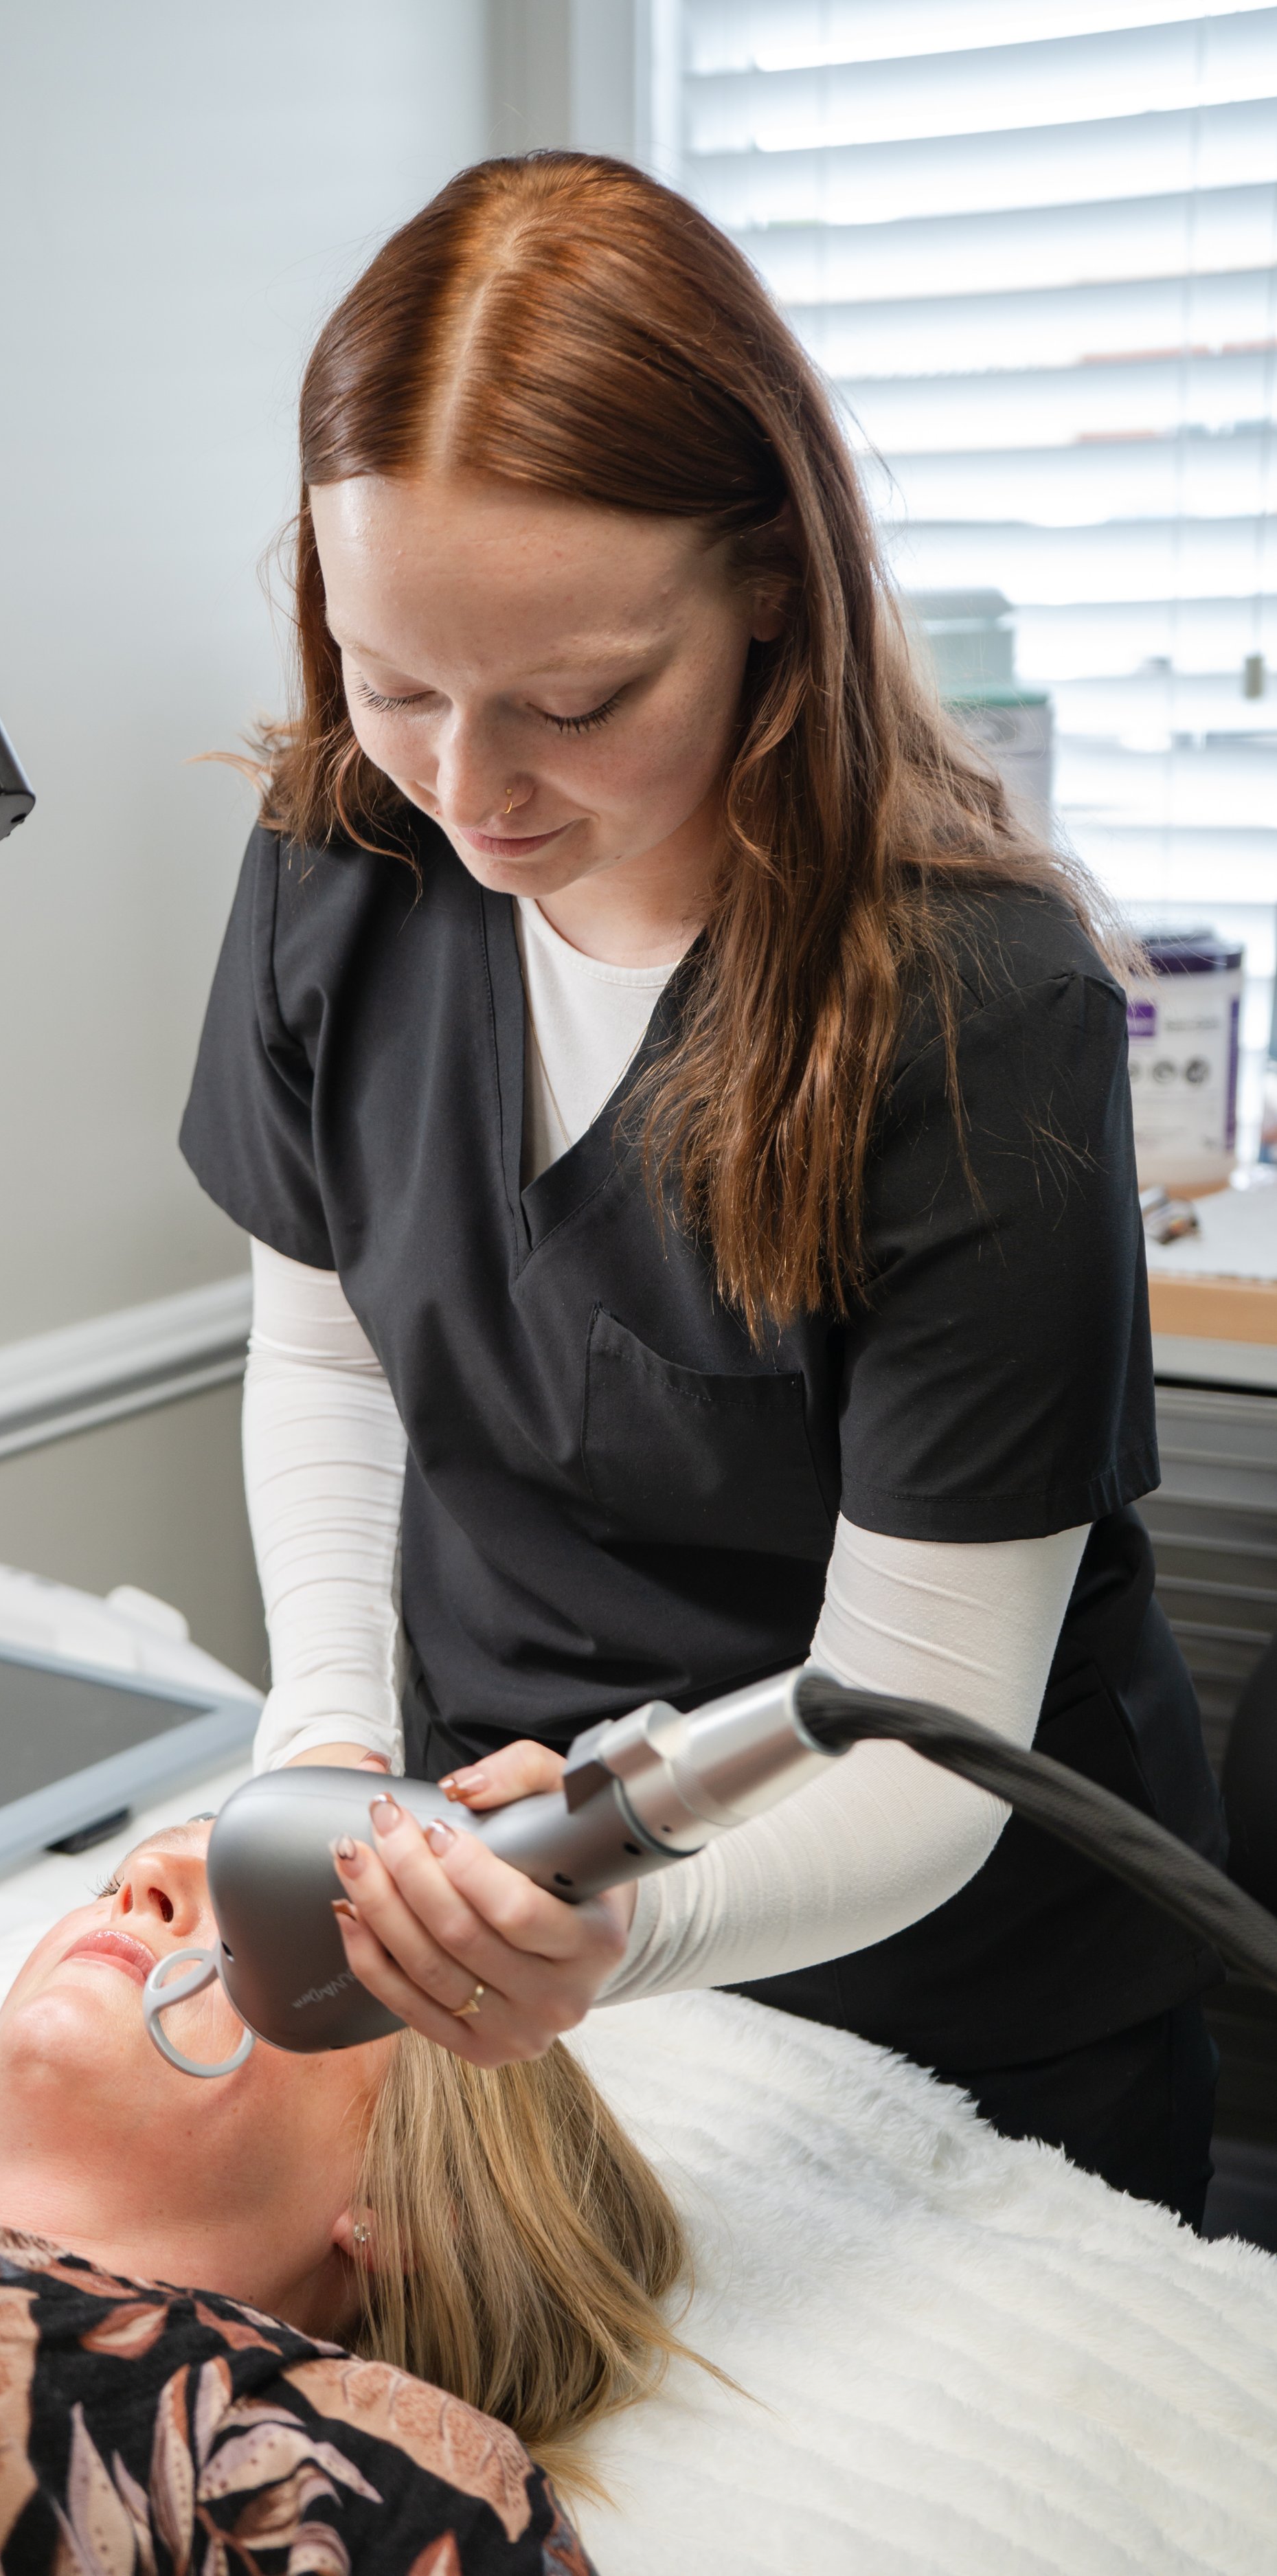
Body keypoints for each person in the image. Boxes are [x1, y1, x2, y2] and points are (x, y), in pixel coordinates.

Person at [179, 151, 1228, 2225]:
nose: (468, 793)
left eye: (572, 703)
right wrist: (319, 1749)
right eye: (394, 681)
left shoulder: (968, 1005)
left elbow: (912, 1718)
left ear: (768, 583)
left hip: (943, 1971)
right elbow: (326, 1358)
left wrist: (612, 1930)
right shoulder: (339, 855)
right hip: (515, 1914)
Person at [0, 1816, 687, 2572]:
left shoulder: (387, 2482)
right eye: (126, 1880)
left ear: (409, 2201)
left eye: (282, 1916)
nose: (148, 1879)